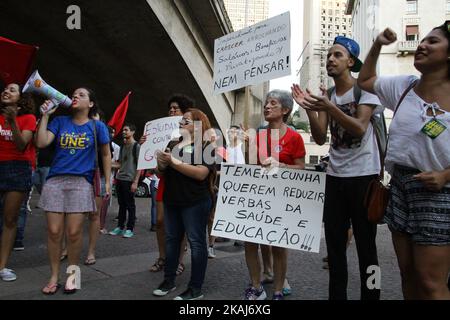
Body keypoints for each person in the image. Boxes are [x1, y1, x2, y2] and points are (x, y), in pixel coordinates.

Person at [358, 22, 450, 300]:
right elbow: (365, 81)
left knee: (431, 282)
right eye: (421, 40)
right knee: (407, 274)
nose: (421, 44)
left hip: (439, 193)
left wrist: (445, 176)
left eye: (432, 42)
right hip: (400, 187)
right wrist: (377, 44)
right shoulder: (405, 86)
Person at [292, 36, 381, 300]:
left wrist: (330, 107)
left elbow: (360, 127)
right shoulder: (328, 95)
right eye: (329, 55)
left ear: (351, 62)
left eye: (338, 55)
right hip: (335, 177)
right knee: (335, 246)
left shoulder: (365, 89)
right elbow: (320, 138)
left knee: (368, 249)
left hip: (364, 177)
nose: (330, 59)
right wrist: (308, 108)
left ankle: (372, 295)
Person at [36, 87, 111, 294]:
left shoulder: (97, 127)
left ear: (91, 104)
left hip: (81, 183)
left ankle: (73, 275)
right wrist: (44, 116)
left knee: (74, 232)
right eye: (74, 94)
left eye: (81, 95)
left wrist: (107, 182)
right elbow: (42, 142)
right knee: (53, 231)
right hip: (55, 182)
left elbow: (105, 154)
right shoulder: (60, 122)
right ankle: (54, 276)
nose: (75, 96)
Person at [244, 90, 306, 300]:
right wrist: (247, 147)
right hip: (258, 198)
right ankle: (255, 286)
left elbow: (301, 167)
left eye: (273, 104)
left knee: (279, 245)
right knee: (250, 241)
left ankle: (278, 289)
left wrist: (281, 165)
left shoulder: (295, 137)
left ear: (285, 110)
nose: (267, 107)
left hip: (282, 199)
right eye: (266, 104)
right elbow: (250, 166)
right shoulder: (258, 136)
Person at [152, 108, 216, 300]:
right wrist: (162, 163)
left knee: (197, 243)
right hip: (172, 200)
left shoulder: (207, 147)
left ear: (198, 125)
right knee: (172, 240)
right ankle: (168, 280)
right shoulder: (173, 144)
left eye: (186, 121)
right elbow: (159, 173)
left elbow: (201, 174)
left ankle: (195, 288)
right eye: (181, 121)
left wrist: (172, 162)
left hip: (195, 202)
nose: (180, 123)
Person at [148, 94, 193, 275]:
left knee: (180, 225)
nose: (172, 111)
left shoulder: (190, 134)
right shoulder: (162, 133)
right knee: (160, 222)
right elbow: (153, 160)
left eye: (176, 108)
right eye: (170, 108)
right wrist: (147, 144)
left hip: (181, 183)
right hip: (165, 180)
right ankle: (163, 257)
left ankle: (179, 261)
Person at [0, 83, 36, 281]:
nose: (6, 91)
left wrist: (12, 121)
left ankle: (2, 266)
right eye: (5, 89)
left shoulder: (28, 118)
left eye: (12, 90)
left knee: (9, 219)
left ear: (21, 99)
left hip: (17, 169)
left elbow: (22, 145)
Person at [109, 123, 141, 238]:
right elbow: (120, 164)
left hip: (129, 180)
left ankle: (129, 228)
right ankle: (120, 226)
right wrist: (107, 163)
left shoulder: (137, 146)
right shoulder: (123, 147)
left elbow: (140, 166)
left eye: (126, 130)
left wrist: (135, 182)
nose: (123, 132)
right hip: (120, 179)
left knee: (130, 205)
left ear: (132, 132)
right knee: (121, 204)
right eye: (123, 130)